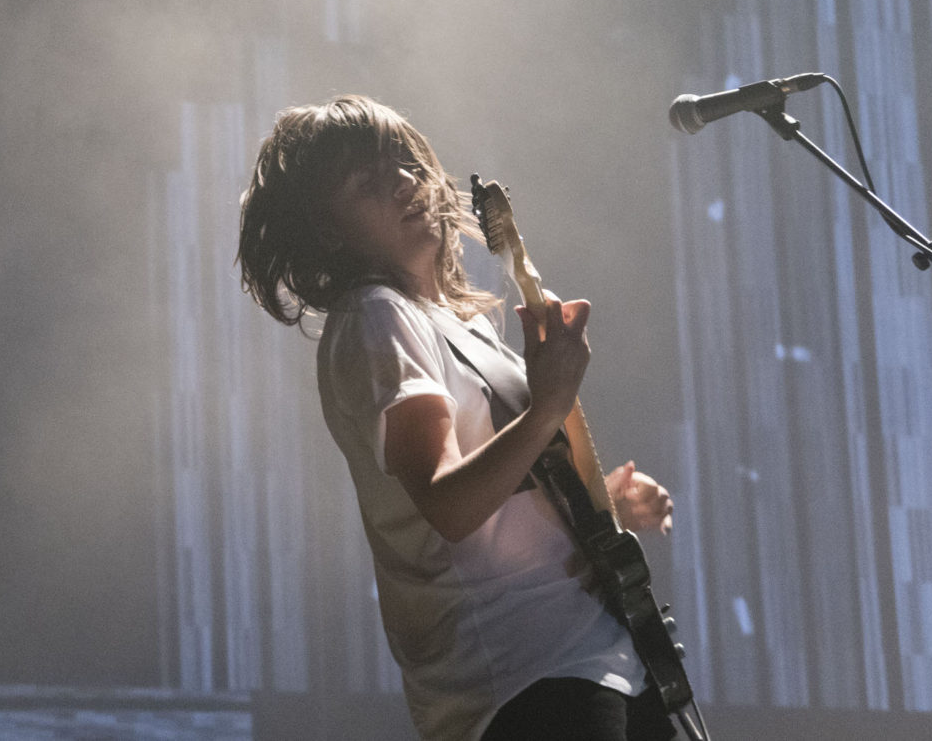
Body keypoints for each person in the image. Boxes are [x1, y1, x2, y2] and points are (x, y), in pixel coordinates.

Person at [237, 94, 676, 741]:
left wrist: (592, 510)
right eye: (367, 182)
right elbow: (447, 504)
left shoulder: (458, 327)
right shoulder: (376, 317)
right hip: (528, 680)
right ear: (329, 230)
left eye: (406, 162)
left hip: (594, 660)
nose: (405, 182)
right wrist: (548, 406)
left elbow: (498, 497)